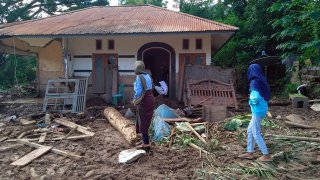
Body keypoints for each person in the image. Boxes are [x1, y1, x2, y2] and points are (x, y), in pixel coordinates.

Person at [239, 64, 272, 162]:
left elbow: (255, 98)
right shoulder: (261, 80)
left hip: (257, 110)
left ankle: (266, 155)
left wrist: (250, 102)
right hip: (262, 108)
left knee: (255, 132)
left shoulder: (254, 82)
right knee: (250, 130)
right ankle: (250, 152)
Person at [132, 61, 155, 150]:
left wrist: (135, 100)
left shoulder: (139, 77)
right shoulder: (147, 76)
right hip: (151, 99)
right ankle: (144, 141)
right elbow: (151, 87)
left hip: (144, 101)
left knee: (143, 121)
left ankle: (146, 144)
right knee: (146, 121)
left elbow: (138, 92)